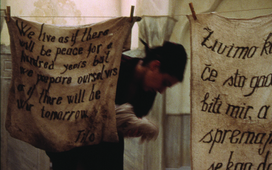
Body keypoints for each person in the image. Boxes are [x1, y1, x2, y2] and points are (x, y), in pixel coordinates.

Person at [46, 39, 187, 170]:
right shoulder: (114, 66)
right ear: (155, 65)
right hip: (75, 144)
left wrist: (131, 127)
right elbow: (79, 104)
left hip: (107, 151)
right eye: (165, 83)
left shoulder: (148, 93)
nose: (162, 91)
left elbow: (122, 123)